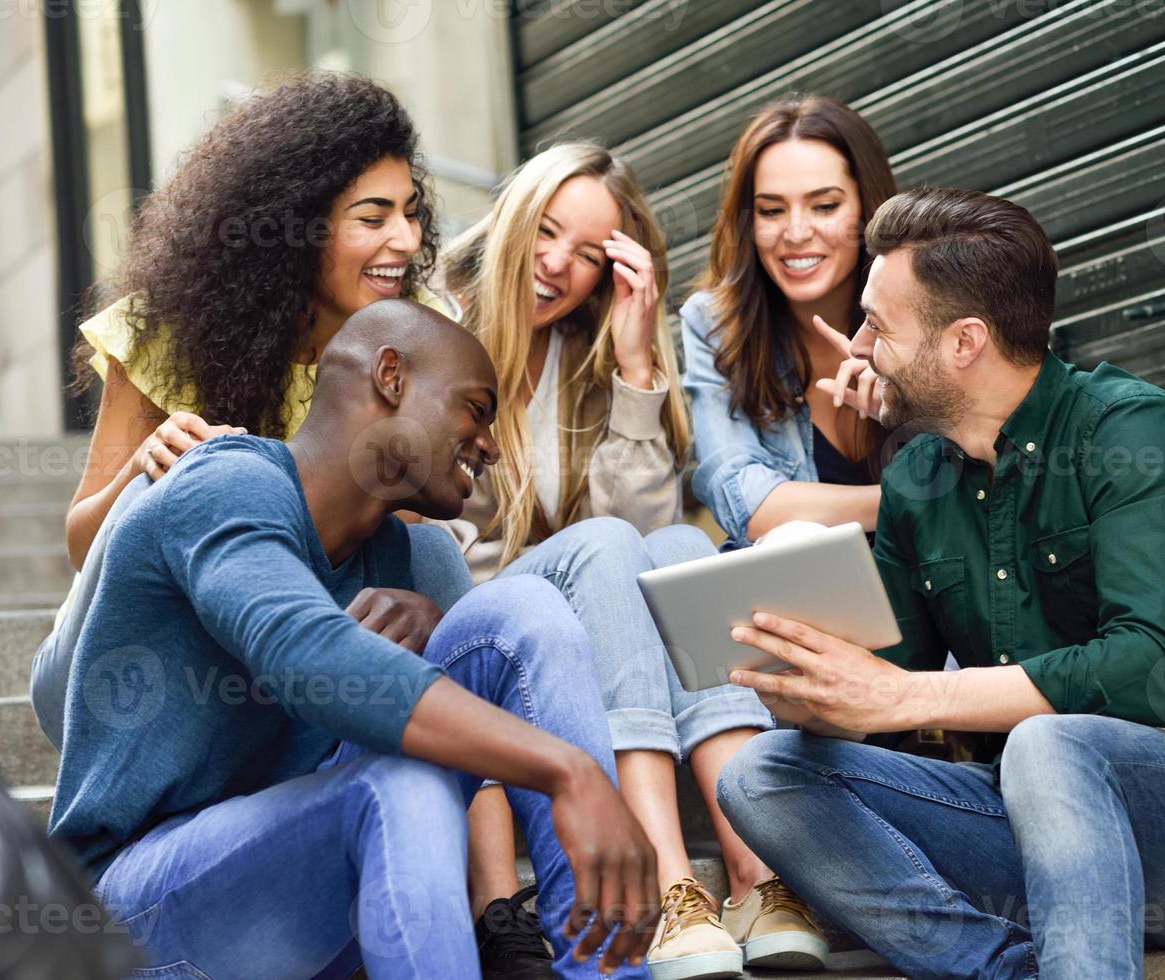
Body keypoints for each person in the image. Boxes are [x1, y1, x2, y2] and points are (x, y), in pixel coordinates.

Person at [718, 189, 1165, 979]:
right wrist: (810, 685)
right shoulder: (917, 477)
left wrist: (905, 697)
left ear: (964, 343)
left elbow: (1148, 667)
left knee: (1049, 740)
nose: (859, 346)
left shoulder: (1129, 431)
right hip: (1040, 833)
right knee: (762, 774)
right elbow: (884, 688)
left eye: (879, 324)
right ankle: (1002, 968)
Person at [50, 299, 660, 979]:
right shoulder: (225, 481)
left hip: (306, 897)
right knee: (391, 785)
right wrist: (568, 770)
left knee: (522, 607)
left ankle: (606, 970)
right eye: (476, 409)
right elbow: (305, 655)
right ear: (390, 376)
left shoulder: (397, 556)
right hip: (136, 917)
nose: (489, 444)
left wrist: (437, 635)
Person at [435, 142, 824, 979]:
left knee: (684, 549)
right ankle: (666, 883)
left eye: (586, 255)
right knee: (620, 548)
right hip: (483, 623)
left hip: (586, 594)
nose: (556, 267)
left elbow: (641, 527)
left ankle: (757, 878)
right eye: (545, 233)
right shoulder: (437, 326)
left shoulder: (588, 349)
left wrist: (637, 361)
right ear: (511, 218)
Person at [33, 71, 471, 746]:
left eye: (410, 212)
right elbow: (82, 543)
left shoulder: (415, 337)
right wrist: (144, 476)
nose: (407, 241)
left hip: (296, 649)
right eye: (373, 217)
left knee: (427, 551)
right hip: (128, 658)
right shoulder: (163, 333)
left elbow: (392, 541)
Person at [681, 96, 897, 550]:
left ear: (867, 207)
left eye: (824, 206)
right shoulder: (715, 326)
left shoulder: (931, 305)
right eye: (772, 211)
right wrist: (908, 502)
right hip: (806, 597)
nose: (796, 233)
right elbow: (745, 503)